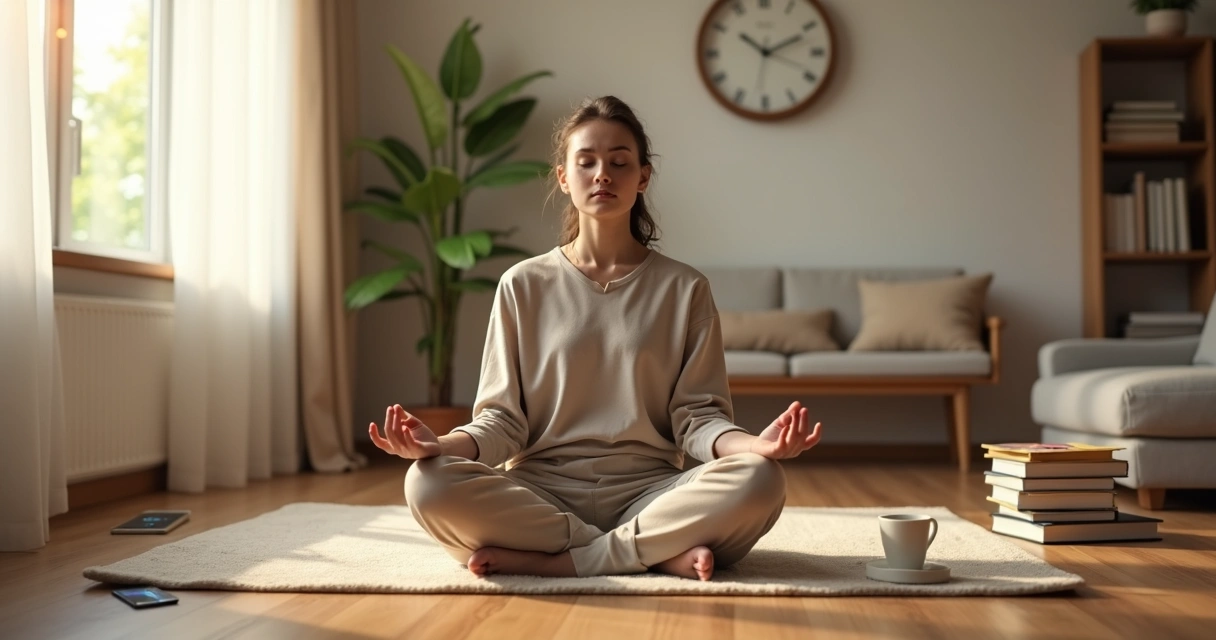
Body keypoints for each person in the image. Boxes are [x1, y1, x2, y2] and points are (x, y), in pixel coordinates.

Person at [368, 96, 823, 581]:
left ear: (643, 177)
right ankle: (651, 554)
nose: (602, 174)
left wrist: (755, 446)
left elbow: (698, 418)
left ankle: (563, 562)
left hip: (652, 495)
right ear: (564, 177)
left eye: (619, 162)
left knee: (760, 479)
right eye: (586, 162)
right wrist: (439, 445)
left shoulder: (685, 288)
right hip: (540, 495)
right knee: (427, 483)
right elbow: (500, 422)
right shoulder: (522, 285)